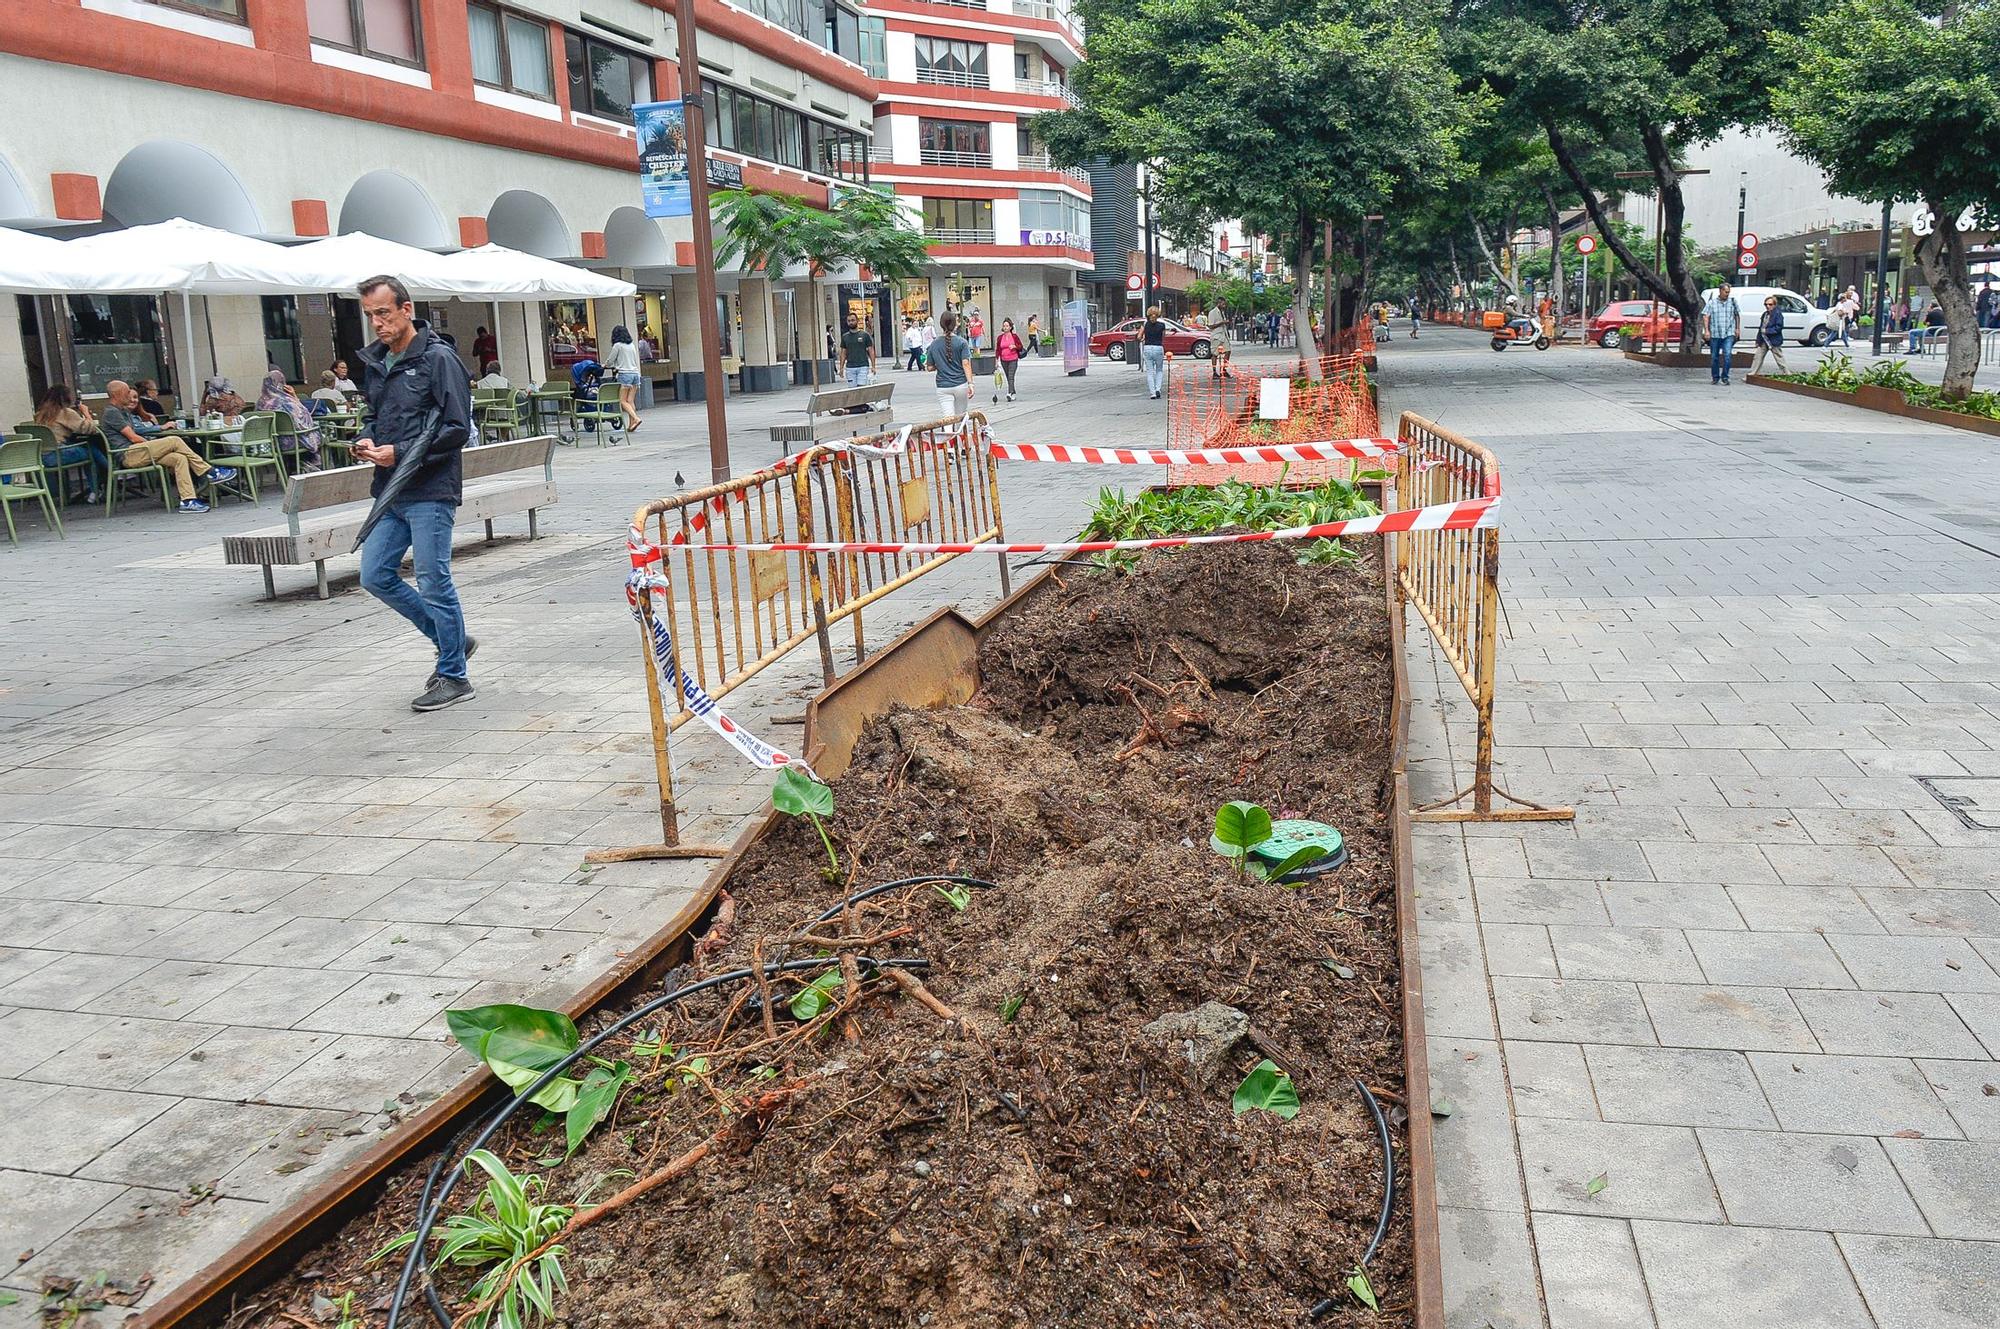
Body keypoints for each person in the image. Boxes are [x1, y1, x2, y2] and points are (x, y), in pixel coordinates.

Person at [350, 274, 477, 712]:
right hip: (390, 490)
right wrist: (366, 439)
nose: (378, 324)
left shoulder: (438, 359)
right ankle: (453, 641)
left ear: (407, 309)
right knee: (374, 575)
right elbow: (374, 415)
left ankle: (454, 676)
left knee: (432, 579)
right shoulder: (378, 362)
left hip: (430, 488)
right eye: (371, 316)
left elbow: (458, 428)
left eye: (384, 313)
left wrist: (399, 451)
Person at [101, 380, 237, 513]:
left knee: (179, 458)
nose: (129, 396)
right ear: (117, 395)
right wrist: (152, 445)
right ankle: (211, 472)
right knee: (174, 440)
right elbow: (133, 437)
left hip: (138, 452)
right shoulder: (112, 412)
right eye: (126, 393)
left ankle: (188, 501)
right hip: (128, 454)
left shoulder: (123, 411)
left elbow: (136, 432)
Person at [33, 384, 109, 504]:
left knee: (87, 447)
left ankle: (105, 475)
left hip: (42, 458)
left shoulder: (40, 414)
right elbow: (89, 429)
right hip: (58, 455)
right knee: (89, 449)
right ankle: (103, 480)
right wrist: (86, 413)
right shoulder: (65, 412)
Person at [256, 368, 323, 470]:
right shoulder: (287, 402)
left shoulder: (260, 403)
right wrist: (294, 396)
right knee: (319, 433)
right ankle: (313, 465)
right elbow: (303, 420)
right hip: (293, 442)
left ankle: (296, 466)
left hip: (273, 444)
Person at [927, 310, 975, 418]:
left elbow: (929, 367)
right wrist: (970, 384)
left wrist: (939, 365)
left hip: (943, 386)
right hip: (960, 384)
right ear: (955, 324)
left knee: (947, 418)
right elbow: (966, 364)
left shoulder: (934, 344)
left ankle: (949, 434)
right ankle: (961, 434)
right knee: (961, 416)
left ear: (941, 324)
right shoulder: (962, 342)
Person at [1700, 282, 1743, 386]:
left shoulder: (1732, 302)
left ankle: (1725, 376)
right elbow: (1706, 316)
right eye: (1725, 292)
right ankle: (1715, 377)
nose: (1727, 294)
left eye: (1728, 292)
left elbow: (1737, 314)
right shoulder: (1712, 303)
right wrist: (1706, 330)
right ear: (1720, 291)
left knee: (1727, 354)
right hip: (1715, 333)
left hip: (1729, 332)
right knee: (1714, 356)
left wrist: (1737, 328)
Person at [602, 324, 642, 433]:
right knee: (630, 400)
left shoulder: (617, 346)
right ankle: (631, 425)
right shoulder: (631, 345)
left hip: (625, 375)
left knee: (622, 401)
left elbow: (610, 360)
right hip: (635, 374)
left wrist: (604, 365)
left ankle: (636, 418)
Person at [1748, 294, 1789, 376]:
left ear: (1774, 305)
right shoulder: (1765, 314)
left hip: (1773, 340)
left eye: (1770, 304)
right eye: (1766, 304)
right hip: (1764, 340)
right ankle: (1753, 373)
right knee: (1758, 357)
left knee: (1779, 358)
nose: (1767, 306)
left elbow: (1779, 327)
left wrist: (1767, 331)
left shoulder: (1778, 314)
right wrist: (1758, 340)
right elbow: (1761, 327)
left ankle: (1787, 373)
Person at [839, 314, 875, 387]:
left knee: (861, 388)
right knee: (852, 389)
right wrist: (841, 368)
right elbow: (843, 353)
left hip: (863, 366)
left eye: (853, 320)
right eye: (849, 321)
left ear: (857, 321)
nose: (851, 322)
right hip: (850, 367)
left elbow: (871, 350)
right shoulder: (845, 337)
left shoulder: (865, 335)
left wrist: (873, 366)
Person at [1140, 304, 1168, 399]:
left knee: (1149, 372)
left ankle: (1152, 393)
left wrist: (1143, 338)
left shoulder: (1145, 324)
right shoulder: (1162, 325)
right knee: (1159, 370)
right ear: (1158, 314)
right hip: (1158, 348)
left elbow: (1139, 336)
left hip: (1147, 347)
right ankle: (1158, 389)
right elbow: (1164, 337)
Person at [994, 317, 1025, 401]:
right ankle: (1013, 392)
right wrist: (997, 360)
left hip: (1013, 359)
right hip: (1004, 359)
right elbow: (998, 349)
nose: (1005, 327)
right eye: (1004, 326)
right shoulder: (1000, 337)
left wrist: (1015, 346)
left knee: (1011, 376)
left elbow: (1020, 346)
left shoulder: (1014, 336)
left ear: (1010, 327)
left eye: (1007, 326)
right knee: (1008, 377)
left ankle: (1010, 393)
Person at [1205, 304, 1233, 379]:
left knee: (1228, 351)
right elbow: (1210, 326)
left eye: (1225, 304)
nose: (1224, 306)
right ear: (1219, 303)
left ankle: (1224, 370)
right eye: (1223, 304)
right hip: (1216, 336)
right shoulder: (1212, 312)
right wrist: (1221, 323)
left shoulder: (1222, 312)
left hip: (1223, 335)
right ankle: (1214, 372)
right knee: (1215, 354)